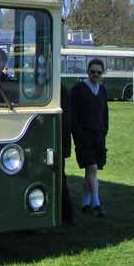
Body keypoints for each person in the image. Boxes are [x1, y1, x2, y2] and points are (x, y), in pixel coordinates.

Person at [70, 58, 109, 218]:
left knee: (90, 171)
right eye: (92, 71)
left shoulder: (102, 90)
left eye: (98, 72)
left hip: (99, 135)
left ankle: (85, 203)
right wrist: (78, 133)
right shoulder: (78, 89)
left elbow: (105, 113)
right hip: (83, 136)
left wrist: (105, 130)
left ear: (102, 74)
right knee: (92, 168)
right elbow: (73, 114)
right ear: (88, 72)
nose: (95, 74)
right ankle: (96, 203)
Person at [60, 85, 75, 226]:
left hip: (58, 144)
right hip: (60, 144)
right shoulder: (62, 89)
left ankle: (67, 215)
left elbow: (65, 122)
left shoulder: (61, 91)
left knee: (60, 179)